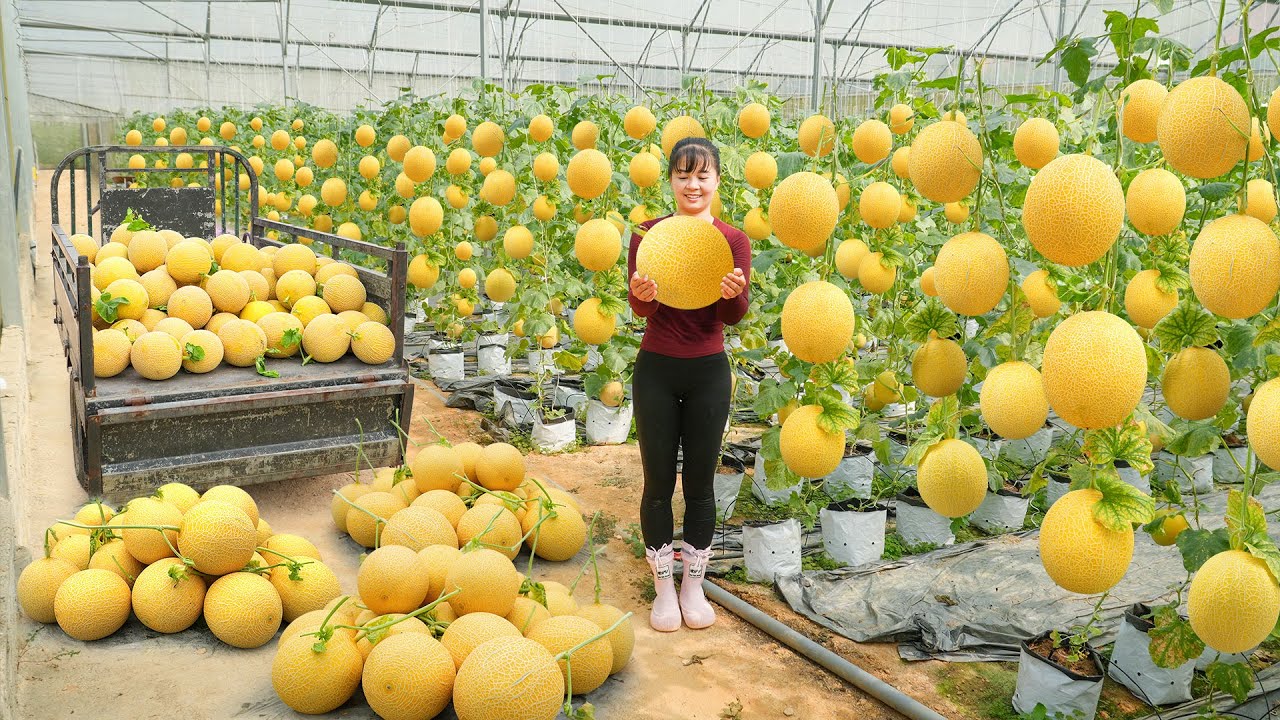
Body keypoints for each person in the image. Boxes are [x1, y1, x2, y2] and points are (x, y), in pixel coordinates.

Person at [626, 136, 751, 632]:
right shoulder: (649, 235)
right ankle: (662, 588)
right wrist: (641, 295)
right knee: (657, 483)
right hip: (656, 367)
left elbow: (734, 316)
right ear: (671, 181)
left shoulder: (733, 240)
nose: (692, 184)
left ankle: (692, 585)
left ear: (717, 180)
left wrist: (733, 295)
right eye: (683, 174)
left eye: (702, 175)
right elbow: (641, 309)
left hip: (708, 371)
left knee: (700, 485)